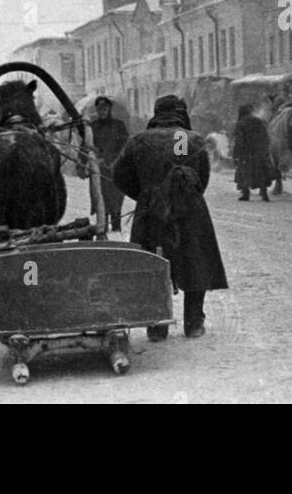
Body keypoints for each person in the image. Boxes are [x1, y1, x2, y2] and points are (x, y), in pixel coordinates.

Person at [111, 95, 228, 339]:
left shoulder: (139, 141)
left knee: (153, 263)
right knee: (194, 261)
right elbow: (200, 177)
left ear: (156, 114)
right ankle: (194, 323)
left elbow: (119, 176)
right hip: (189, 211)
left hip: (151, 213)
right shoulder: (186, 138)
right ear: (180, 113)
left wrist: (145, 196)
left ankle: (157, 325)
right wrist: (183, 196)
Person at [89, 96, 129, 233]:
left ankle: (117, 230)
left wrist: (114, 162)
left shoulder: (119, 126)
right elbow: (86, 147)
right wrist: (90, 160)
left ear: (109, 109)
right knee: (100, 201)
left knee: (116, 203)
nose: (102, 111)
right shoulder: (92, 127)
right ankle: (102, 229)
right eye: (99, 109)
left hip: (114, 172)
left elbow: (124, 146)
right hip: (98, 171)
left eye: (105, 108)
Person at [232, 104, 273, 201]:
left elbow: (239, 140)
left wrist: (236, 154)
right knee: (261, 173)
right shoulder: (259, 122)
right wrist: (265, 150)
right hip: (259, 152)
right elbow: (266, 137)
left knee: (244, 173)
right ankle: (264, 193)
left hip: (246, 153)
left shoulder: (240, 123)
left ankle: (245, 194)